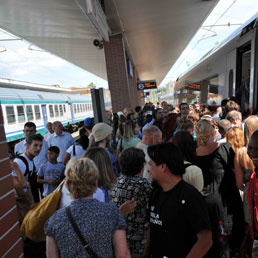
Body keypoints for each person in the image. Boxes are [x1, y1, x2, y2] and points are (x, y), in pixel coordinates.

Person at [44, 158, 131, 258]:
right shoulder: (111, 213)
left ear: (68, 185)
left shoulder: (55, 220)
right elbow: (123, 255)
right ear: (96, 183)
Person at [145, 142, 212, 258]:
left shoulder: (190, 197)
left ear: (162, 167)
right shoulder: (155, 193)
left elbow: (205, 240)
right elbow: (152, 230)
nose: (148, 170)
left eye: (150, 164)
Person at [195, 119, 245, 257]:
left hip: (203, 202)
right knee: (227, 242)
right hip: (225, 201)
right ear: (211, 132)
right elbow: (237, 173)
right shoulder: (223, 149)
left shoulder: (193, 153)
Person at [110, 147, 152, 258]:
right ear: (141, 166)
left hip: (118, 242)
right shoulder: (143, 184)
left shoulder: (114, 184)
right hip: (139, 244)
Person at [13, 134, 43, 203]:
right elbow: (14, 184)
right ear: (28, 146)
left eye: (40, 146)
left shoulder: (30, 159)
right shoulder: (20, 162)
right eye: (35, 145)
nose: (38, 148)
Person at [246, 130, 258, 257]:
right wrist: (248, 238)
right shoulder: (253, 177)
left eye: (256, 149)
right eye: (250, 148)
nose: (251, 153)